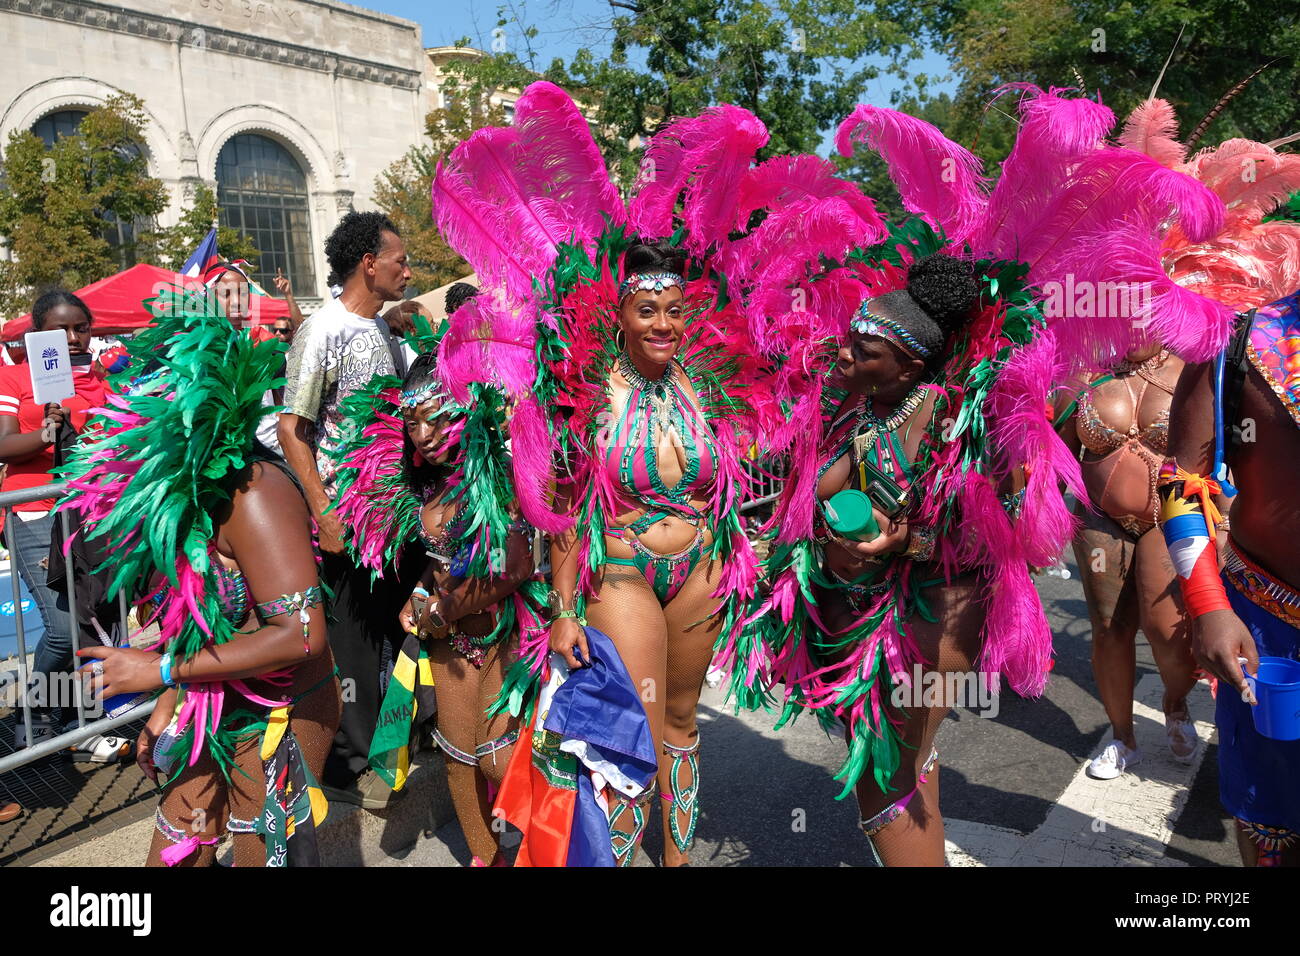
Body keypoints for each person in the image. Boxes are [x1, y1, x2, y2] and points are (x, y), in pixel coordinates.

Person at [64, 283, 339, 866]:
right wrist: (171, 701)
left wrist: (159, 669)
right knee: (173, 856)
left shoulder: (254, 493)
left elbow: (303, 634)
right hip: (213, 698)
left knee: (258, 855)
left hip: (284, 709)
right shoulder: (182, 500)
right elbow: (201, 617)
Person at [330, 304, 546, 863]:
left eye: (437, 419)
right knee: (457, 756)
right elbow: (440, 556)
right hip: (451, 639)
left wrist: (443, 607)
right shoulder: (432, 485)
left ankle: (550, 846)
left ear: (465, 413)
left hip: (504, 631)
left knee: (501, 758)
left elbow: (515, 567)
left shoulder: (491, 476)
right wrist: (419, 593)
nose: (423, 435)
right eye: (414, 421)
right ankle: (487, 857)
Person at [278, 211, 416, 809]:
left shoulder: (386, 332)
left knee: (408, 625)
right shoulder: (321, 330)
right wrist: (325, 512)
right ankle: (343, 767)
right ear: (369, 264)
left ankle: (401, 745)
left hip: (397, 513)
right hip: (349, 522)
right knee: (353, 644)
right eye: (401, 260)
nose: (407, 271)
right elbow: (292, 428)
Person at [1161, 288, 1300, 867]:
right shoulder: (1233, 338)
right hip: (1270, 627)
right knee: (1271, 816)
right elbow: (1178, 482)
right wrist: (1208, 605)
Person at [1053, 343, 1200, 779]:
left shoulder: (1191, 373)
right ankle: (1123, 738)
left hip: (1169, 516)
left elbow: (1215, 453)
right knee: (1108, 626)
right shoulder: (1081, 374)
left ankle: (1174, 702)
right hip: (1101, 519)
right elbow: (1059, 457)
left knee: (1166, 630)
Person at [0, 290, 126, 761]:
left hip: (92, 515)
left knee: (96, 620)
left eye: (82, 328)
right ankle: (34, 714)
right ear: (38, 336)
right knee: (60, 626)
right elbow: (3, 445)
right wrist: (46, 432)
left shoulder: (101, 380)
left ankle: (81, 722)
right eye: (61, 330)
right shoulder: (13, 376)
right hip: (34, 514)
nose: (73, 338)